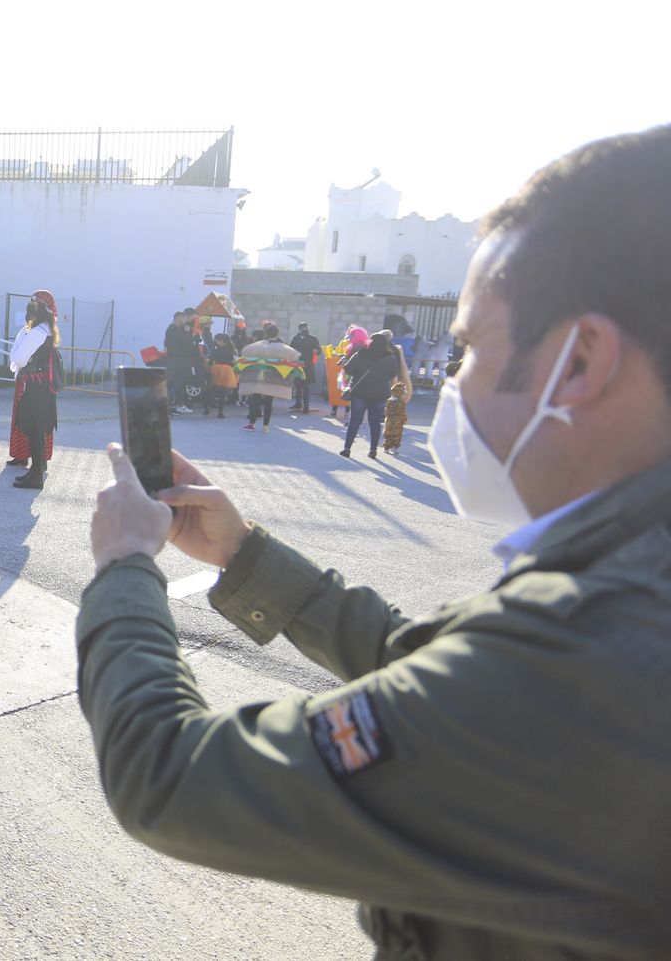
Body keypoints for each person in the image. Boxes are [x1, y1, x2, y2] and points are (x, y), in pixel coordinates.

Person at [78, 126, 671, 958]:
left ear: (579, 364)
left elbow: (167, 777)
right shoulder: (618, 588)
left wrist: (123, 568)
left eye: (467, 349)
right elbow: (428, 668)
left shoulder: (589, 658)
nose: (449, 384)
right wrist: (246, 557)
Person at [8, 289, 61, 488]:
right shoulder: (46, 330)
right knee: (37, 429)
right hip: (41, 385)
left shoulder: (37, 333)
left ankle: (36, 476)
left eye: (34, 304)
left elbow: (18, 359)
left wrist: (18, 343)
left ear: (42, 309)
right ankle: (37, 469)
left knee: (33, 429)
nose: (30, 308)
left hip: (34, 385)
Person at [339, 328, 403, 459]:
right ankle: (373, 450)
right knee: (375, 423)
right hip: (380, 395)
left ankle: (347, 448)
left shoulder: (361, 354)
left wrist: (347, 381)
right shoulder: (390, 357)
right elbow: (394, 378)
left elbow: (348, 370)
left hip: (359, 393)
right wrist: (394, 394)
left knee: (354, 421)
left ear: (371, 342)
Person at [235, 323, 302, 433]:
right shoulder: (283, 348)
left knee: (255, 400)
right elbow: (295, 355)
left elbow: (245, 352)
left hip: (257, 377)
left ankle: (251, 424)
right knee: (268, 402)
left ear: (265, 333)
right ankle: (266, 426)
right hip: (273, 379)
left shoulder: (257, 346)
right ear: (277, 333)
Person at [162, 311, 196, 414]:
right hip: (177, 361)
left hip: (175, 360)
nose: (186, 321)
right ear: (179, 318)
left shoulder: (172, 329)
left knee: (176, 384)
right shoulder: (174, 329)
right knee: (176, 384)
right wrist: (188, 332)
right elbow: (184, 342)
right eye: (185, 319)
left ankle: (174, 406)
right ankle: (168, 406)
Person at [287, 322, 323, 412]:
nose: (305, 330)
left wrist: (316, 350)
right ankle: (298, 403)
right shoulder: (295, 338)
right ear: (299, 329)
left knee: (306, 386)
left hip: (308, 366)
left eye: (306, 328)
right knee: (297, 385)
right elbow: (290, 349)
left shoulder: (313, 339)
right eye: (303, 328)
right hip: (297, 364)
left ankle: (306, 407)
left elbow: (319, 350)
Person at [207, 333, 238, 419]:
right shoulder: (231, 350)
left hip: (217, 369)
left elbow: (210, 361)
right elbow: (233, 362)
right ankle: (220, 412)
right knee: (223, 393)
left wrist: (209, 367)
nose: (215, 342)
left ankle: (208, 407)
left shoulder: (217, 350)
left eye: (216, 340)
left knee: (213, 390)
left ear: (221, 341)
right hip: (227, 370)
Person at [382, 379, 410, 455]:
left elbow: (386, 410)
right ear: (400, 393)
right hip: (397, 421)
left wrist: (386, 417)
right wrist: (405, 419)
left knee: (388, 434)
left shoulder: (389, 400)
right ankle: (394, 447)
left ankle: (386, 448)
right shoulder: (401, 402)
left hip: (388, 420)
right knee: (396, 434)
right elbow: (402, 412)